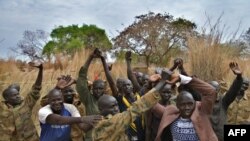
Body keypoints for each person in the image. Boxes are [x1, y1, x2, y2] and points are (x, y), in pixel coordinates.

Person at [91, 70, 172, 141]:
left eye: (116, 105)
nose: (116, 109)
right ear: (101, 109)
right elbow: (137, 108)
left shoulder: (97, 124)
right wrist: (162, 81)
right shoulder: (113, 122)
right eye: (112, 106)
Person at [155, 73, 218, 141]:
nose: (187, 107)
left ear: (194, 103)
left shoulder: (202, 113)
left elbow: (211, 92)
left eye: (190, 104)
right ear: (177, 105)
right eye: (183, 104)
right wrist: (154, 84)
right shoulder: (170, 113)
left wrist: (182, 79)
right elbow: (150, 104)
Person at [38, 87, 103, 141]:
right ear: (48, 101)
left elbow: (84, 127)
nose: (57, 102)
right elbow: (58, 120)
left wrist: (97, 118)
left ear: (63, 99)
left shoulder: (70, 108)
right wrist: (83, 119)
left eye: (59, 99)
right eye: (53, 100)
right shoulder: (43, 111)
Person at [0, 60, 43, 141]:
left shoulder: (26, 104)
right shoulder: (2, 109)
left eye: (18, 94)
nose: (18, 96)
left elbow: (36, 89)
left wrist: (41, 70)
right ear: (7, 99)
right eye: (14, 95)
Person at [76, 48, 108, 140]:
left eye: (100, 89)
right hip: (92, 137)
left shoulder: (108, 100)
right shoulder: (88, 99)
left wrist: (103, 60)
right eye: (96, 88)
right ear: (92, 89)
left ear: (104, 89)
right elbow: (82, 77)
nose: (98, 91)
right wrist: (90, 57)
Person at [209, 62, 243, 141]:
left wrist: (239, 77)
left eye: (216, 89)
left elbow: (233, 91)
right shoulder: (203, 102)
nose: (214, 92)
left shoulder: (223, 101)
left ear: (218, 90)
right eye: (210, 89)